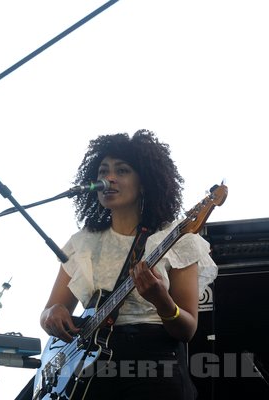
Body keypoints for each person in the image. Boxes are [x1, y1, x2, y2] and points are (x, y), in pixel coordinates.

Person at [39, 130, 217, 399]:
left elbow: (188, 329)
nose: (108, 178)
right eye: (103, 171)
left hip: (153, 367)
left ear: (144, 182)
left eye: (122, 171)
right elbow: (49, 311)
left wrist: (161, 300)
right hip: (88, 372)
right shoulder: (82, 242)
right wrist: (52, 313)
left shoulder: (176, 238)